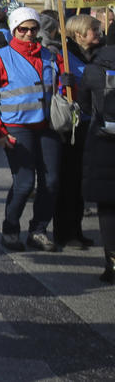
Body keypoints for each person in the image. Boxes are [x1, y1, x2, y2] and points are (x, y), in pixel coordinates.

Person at [0, 7, 63, 253]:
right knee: (24, 183)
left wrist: (67, 84)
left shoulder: (50, 56)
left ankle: (38, 230)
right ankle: (10, 229)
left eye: (33, 29)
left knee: (51, 182)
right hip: (17, 127)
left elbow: (60, 91)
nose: (28, 34)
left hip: (47, 126)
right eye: (22, 29)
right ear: (14, 30)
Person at [54, 14, 101, 249]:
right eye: (94, 29)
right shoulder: (64, 54)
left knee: (81, 181)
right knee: (69, 180)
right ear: (79, 33)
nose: (98, 33)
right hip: (70, 125)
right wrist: (65, 83)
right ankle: (64, 231)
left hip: (89, 122)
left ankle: (77, 228)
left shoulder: (94, 56)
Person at [75, 38, 115, 282]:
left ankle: (112, 263)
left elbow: (85, 106)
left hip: (103, 142)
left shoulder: (93, 68)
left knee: (108, 208)